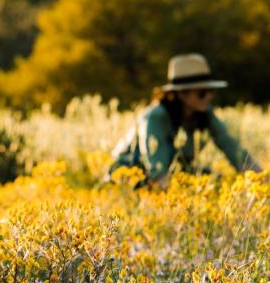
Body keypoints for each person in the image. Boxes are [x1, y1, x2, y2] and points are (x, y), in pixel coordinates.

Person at [107, 53, 262, 188]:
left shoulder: (204, 113)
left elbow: (231, 147)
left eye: (210, 91)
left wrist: (259, 179)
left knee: (214, 180)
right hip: (130, 178)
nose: (208, 96)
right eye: (202, 92)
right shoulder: (155, 117)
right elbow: (157, 170)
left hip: (171, 176)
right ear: (181, 93)